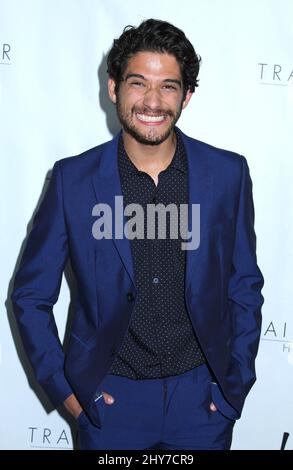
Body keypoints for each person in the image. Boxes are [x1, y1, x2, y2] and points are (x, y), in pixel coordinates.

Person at [12, 19, 264, 450]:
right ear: (113, 89)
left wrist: (232, 389)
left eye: (168, 86)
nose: (153, 100)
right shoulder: (73, 180)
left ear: (186, 96)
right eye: (138, 83)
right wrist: (67, 392)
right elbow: (30, 296)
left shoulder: (227, 174)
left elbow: (245, 286)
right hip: (109, 403)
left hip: (202, 402)